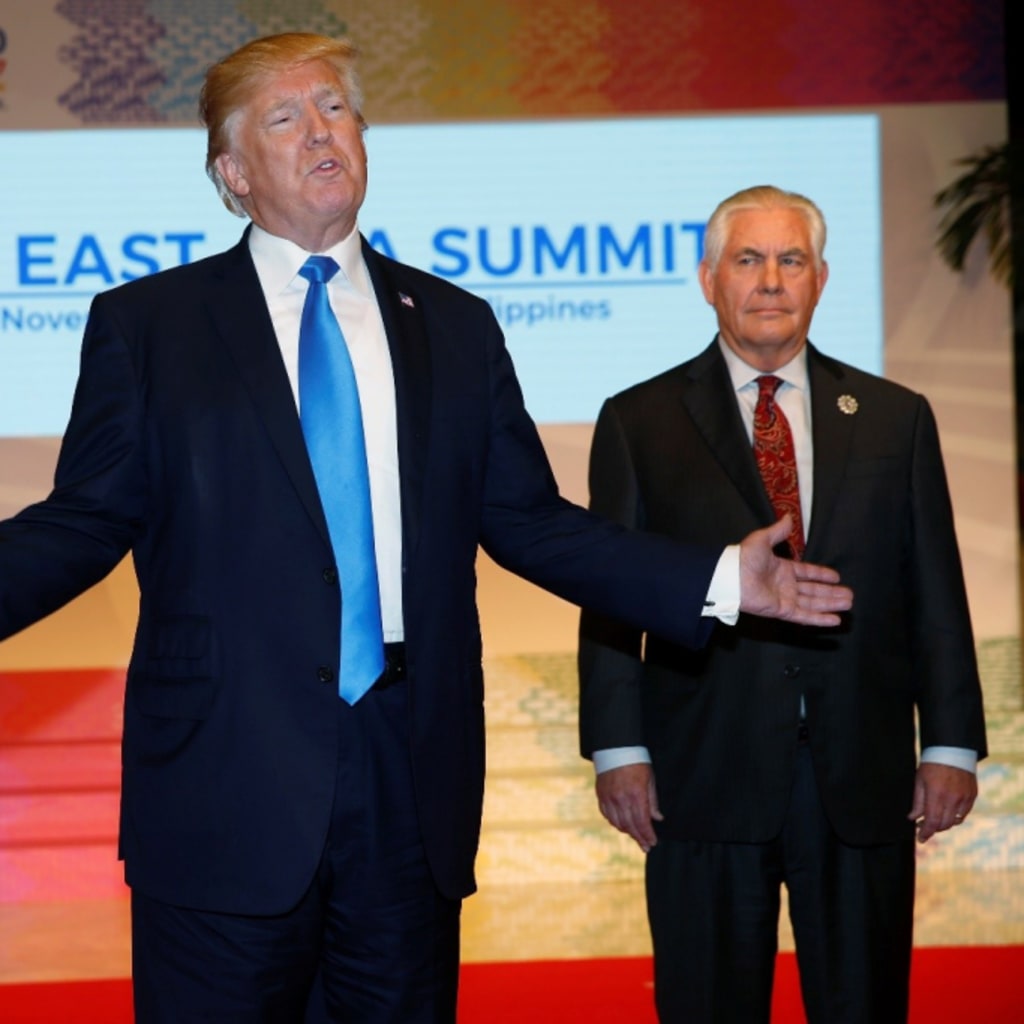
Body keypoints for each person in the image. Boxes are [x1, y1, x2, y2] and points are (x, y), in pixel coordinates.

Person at [0, 39, 851, 1023]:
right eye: (285, 117)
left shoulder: (453, 323)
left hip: (409, 784)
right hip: (224, 784)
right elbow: (82, 519)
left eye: (336, 108)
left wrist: (708, 579)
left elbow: (529, 521)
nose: (322, 129)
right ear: (232, 175)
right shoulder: (149, 326)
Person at [578, 184, 987, 1023]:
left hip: (862, 774)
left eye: (790, 260)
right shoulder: (637, 421)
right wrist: (618, 748)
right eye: (749, 259)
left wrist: (951, 742)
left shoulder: (894, 418)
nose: (771, 280)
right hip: (702, 775)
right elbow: (612, 599)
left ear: (822, 278)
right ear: (708, 280)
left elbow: (935, 590)